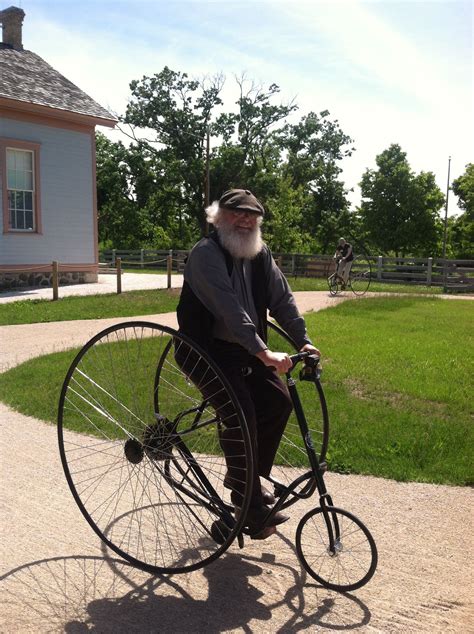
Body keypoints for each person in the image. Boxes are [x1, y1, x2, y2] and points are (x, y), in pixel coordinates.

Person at [176, 188, 320, 539]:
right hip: (206, 350)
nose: (245, 220)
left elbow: (281, 298)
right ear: (219, 217)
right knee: (240, 416)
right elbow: (230, 309)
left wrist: (303, 339)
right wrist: (264, 352)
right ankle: (249, 502)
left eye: (252, 216)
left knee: (278, 402)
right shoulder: (205, 254)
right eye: (237, 213)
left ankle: (246, 481)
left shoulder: (259, 254)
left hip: (246, 350)